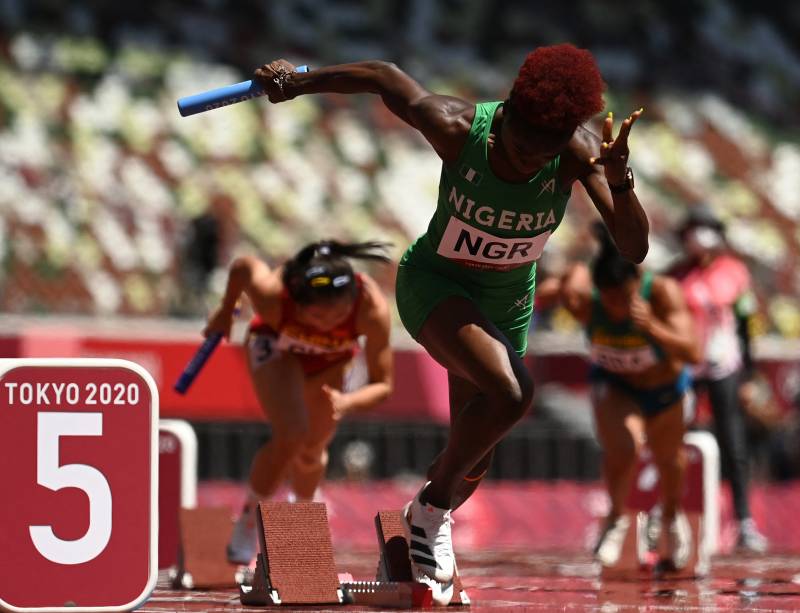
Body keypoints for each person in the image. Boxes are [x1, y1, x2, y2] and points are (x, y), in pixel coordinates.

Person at [253, 43, 650, 598]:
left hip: (506, 305)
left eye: (542, 156)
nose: (527, 163)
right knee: (513, 394)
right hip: (437, 285)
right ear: (506, 114)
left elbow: (633, 248)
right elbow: (383, 76)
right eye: (517, 148)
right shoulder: (457, 127)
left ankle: (418, 530)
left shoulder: (581, 153)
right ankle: (428, 514)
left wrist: (620, 179)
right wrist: (298, 81)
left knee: (475, 457)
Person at [203, 240, 394, 565]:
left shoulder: (371, 310)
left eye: (339, 313)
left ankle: (301, 515)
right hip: (278, 350)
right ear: (298, 302)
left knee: (311, 452)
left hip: (330, 363)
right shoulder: (272, 297)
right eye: (319, 314)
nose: (330, 321)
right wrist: (225, 310)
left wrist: (347, 402)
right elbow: (244, 266)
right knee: (291, 435)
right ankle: (249, 519)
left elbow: (383, 385)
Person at [543, 223, 701, 570]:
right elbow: (553, 287)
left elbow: (693, 352)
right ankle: (615, 518)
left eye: (625, 298)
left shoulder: (662, 293)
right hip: (618, 387)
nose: (618, 309)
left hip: (665, 389)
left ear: (637, 283)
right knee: (625, 446)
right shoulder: (585, 300)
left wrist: (652, 327)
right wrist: (571, 273)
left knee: (669, 458)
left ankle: (671, 517)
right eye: (610, 299)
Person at [667, 205, 768, 552]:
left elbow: (745, 325)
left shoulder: (734, 273)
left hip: (724, 363)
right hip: (685, 367)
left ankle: (744, 522)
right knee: (675, 437)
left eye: (705, 229)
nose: (699, 237)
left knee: (733, 440)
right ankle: (670, 515)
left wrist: (750, 376)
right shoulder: (675, 276)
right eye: (693, 229)